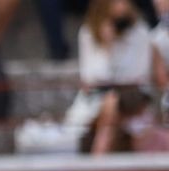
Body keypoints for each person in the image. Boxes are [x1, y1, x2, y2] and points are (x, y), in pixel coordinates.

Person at [65, 0, 164, 135]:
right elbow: (89, 77)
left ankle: (99, 154)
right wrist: (106, 49)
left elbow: (138, 74)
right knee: (106, 109)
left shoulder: (139, 32)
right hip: (97, 97)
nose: (121, 5)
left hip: (134, 94)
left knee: (112, 104)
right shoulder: (88, 33)